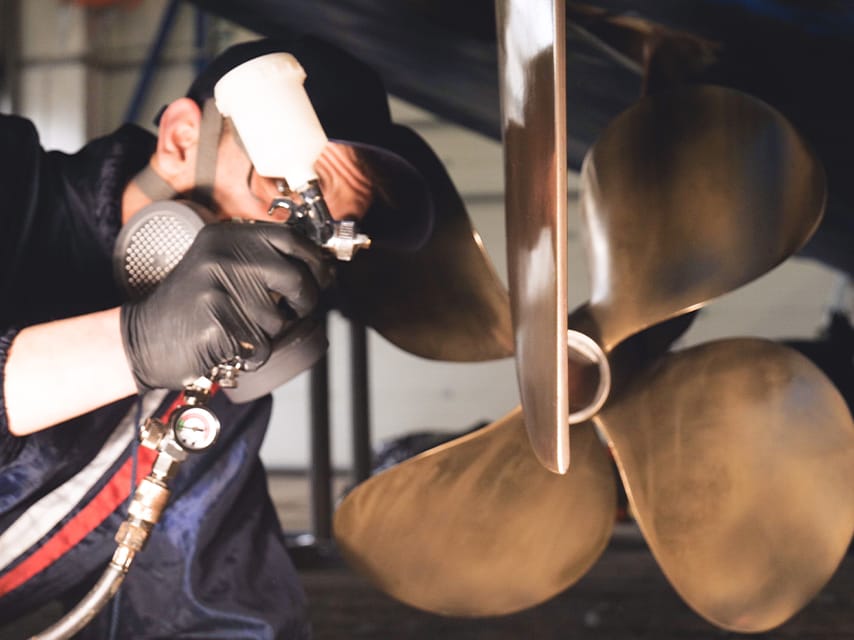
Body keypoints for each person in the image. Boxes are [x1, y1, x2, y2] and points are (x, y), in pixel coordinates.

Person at [0, 35, 436, 638]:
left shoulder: (208, 407)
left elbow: (210, 612)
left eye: (323, 232)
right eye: (276, 194)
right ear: (181, 140)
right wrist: (134, 345)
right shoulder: (10, 179)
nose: (286, 250)